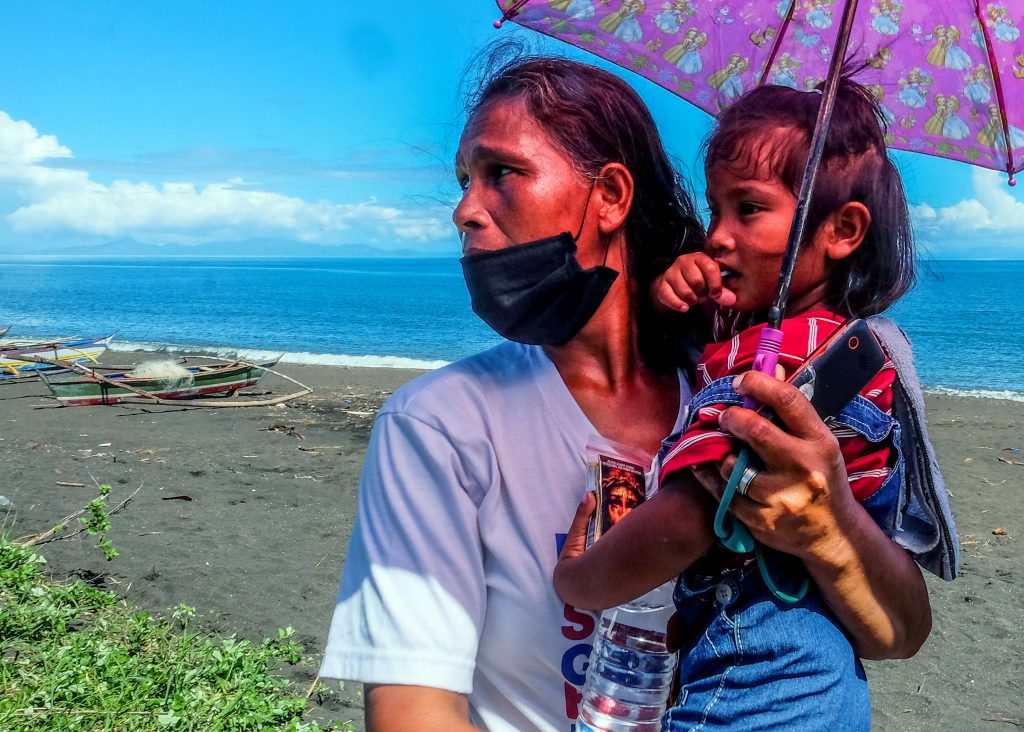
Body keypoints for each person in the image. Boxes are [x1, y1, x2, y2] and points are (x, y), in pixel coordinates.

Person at [320, 54, 934, 732]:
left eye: (502, 172)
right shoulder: (439, 425)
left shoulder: (739, 387)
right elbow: (414, 716)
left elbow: (899, 634)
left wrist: (832, 526)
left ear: (611, 195)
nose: (464, 211)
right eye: (465, 181)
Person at [553, 79, 957, 730]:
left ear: (843, 230)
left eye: (748, 210)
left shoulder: (772, 373)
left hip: (751, 684)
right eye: (715, 211)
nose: (716, 236)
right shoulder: (853, 353)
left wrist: (578, 581)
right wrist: (669, 303)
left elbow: (687, 520)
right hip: (828, 690)